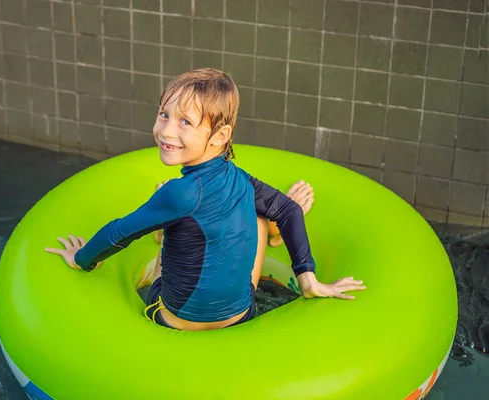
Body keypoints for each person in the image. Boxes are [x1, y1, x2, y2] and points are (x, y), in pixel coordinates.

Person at [45, 68, 366, 331]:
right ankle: (271, 233)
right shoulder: (243, 181)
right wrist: (308, 279)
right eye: (164, 115)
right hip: (240, 317)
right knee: (257, 212)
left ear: (220, 136)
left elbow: (118, 233)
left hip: (172, 319)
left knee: (165, 209)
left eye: (185, 122)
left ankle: (163, 230)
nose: (166, 131)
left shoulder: (178, 192)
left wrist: (81, 259)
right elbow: (289, 208)